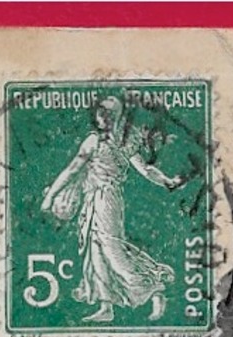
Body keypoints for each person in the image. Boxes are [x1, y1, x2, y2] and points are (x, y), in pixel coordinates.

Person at [40, 95, 184, 324]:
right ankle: (106, 306)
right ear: (95, 115)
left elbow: (146, 170)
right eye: (100, 113)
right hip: (91, 199)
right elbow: (72, 170)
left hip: (107, 199)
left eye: (109, 114)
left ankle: (154, 289)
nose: (104, 118)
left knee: (111, 250)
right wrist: (51, 198)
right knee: (94, 250)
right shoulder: (93, 141)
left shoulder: (122, 142)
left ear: (117, 117)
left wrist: (166, 180)